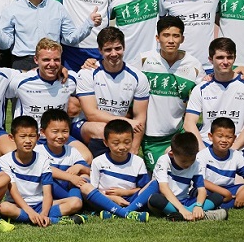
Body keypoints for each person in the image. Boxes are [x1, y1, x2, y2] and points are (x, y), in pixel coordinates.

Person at [136, 16, 205, 172]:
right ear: (157, 38)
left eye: (176, 36)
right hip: (151, 138)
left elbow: (206, 90)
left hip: (177, 134)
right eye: (166, 35)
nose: (171, 40)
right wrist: (93, 63)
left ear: (182, 39)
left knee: (183, 173)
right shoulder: (144, 60)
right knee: (158, 175)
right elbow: (122, 71)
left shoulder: (193, 65)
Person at [0, 116, 86, 226]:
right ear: (12, 137)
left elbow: (47, 193)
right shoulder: (5, 160)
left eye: (32, 136)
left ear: (38, 137)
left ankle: (33, 218)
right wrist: (30, 212)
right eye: (22, 136)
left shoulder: (43, 160)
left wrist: (44, 213)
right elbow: (13, 191)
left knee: (76, 202)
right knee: (4, 207)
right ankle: (54, 220)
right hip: (18, 204)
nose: (28, 141)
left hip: (40, 203)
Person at [75, 27, 149, 158]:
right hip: (86, 126)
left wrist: (134, 148)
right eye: (108, 50)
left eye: (118, 48)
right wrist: (126, 121)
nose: (114, 54)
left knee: (117, 134)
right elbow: (91, 114)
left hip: (118, 127)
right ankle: (97, 161)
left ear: (124, 47)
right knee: (103, 130)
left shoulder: (138, 77)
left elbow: (140, 118)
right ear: (100, 50)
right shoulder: (88, 73)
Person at [79, 119, 154, 222]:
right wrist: (113, 198)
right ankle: (127, 213)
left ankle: (121, 212)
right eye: (116, 143)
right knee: (85, 187)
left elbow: (142, 189)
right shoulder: (98, 162)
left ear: (132, 140)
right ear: (106, 143)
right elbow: (94, 189)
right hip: (106, 200)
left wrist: (125, 192)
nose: (122, 147)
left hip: (131, 199)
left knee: (155, 182)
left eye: (127, 142)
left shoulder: (138, 161)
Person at [148, 133, 227, 221]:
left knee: (217, 197)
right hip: (168, 201)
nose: (188, 164)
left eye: (192, 160)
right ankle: (199, 215)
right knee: (155, 199)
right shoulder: (164, 160)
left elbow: (201, 190)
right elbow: (164, 189)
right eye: (184, 161)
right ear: (172, 154)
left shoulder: (196, 163)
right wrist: (181, 209)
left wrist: (198, 206)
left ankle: (181, 216)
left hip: (186, 200)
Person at [184, 37, 244, 149]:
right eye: (220, 57)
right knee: (169, 152)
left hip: (238, 147)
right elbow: (189, 123)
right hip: (207, 145)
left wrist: (232, 151)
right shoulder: (201, 88)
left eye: (229, 57)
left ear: (234, 58)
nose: (225, 62)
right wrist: (204, 152)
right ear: (211, 59)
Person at [34, 110, 88, 217]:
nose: (60, 136)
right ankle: (77, 204)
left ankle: (75, 203)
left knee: (84, 176)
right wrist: (70, 177)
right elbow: (45, 169)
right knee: (47, 176)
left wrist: (80, 167)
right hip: (44, 195)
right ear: (43, 132)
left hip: (67, 192)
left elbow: (89, 171)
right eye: (55, 132)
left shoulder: (72, 150)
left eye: (65, 131)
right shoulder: (38, 150)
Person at [197, 117, 244, 209]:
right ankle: (227, 202)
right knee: (201, 192)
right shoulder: (202, 155)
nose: (224, 140)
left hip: (228, 188)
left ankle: (219, 204)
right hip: (208, 189)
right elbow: (200, 180)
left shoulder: (236, 155)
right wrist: (224, 193)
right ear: (210, 136)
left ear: (234, 138)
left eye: (229, 137)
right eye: (220, 136)